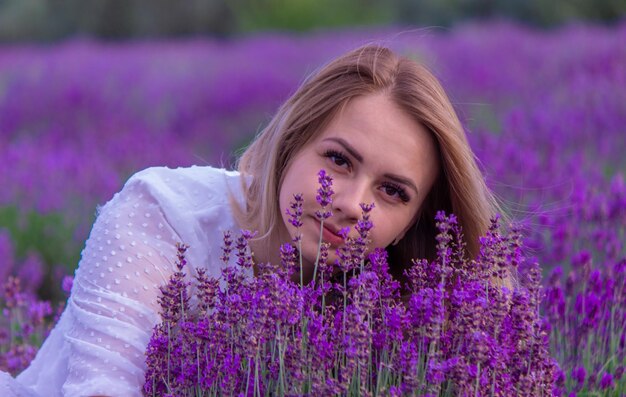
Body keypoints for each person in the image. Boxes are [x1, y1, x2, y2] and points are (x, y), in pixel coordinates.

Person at [1, 44, 504, 396]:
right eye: (338, 160)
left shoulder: (400, 304)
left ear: (416, 220)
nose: (352, 202)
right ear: (292, 140)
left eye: (392, 191)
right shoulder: (161, 216)